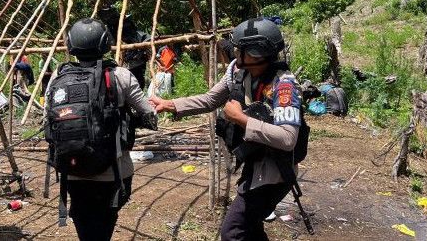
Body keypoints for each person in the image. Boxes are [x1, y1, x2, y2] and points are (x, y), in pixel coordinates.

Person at [150, 18, 303, 240]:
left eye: (241, 50)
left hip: (274, 172)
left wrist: (240, 119)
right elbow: (210, 99)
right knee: (250, 228)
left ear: (256, 52)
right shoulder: (238, 72)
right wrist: (171, 105)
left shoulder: (284, 85)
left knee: (232, 232)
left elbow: (288, 138)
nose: (235, 54)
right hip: (254, 164)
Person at [45, 18, 157, 241]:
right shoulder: (121, 76)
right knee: (105, 221)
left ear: (71, 45)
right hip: (114, 172)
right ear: (106, 43)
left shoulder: (58, 78)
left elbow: (49, 117)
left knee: (85, 224)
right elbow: (149, 114)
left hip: (72, 169)